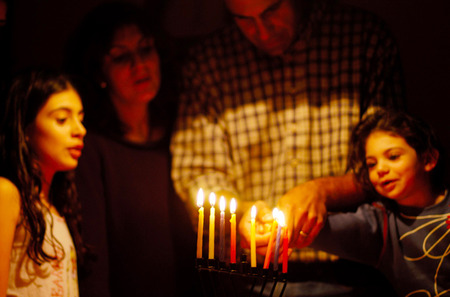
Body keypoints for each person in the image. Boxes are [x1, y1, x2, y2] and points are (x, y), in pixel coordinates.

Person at [170, 0, 404, 294]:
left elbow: (398, 161)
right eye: (244, 20)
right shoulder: (209, 62)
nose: (262, 32)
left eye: (271, 12)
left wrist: (323, 191)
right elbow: (197, 173)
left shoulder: (363, 38)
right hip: (252, 278)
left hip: (359, 270)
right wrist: (242, 216)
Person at [64, 2, 199, 297]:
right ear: (99, 72)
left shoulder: (182, 134)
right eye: (121, 57)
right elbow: (93, 256)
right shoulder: (91, 149)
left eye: (146, 49)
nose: (140, 65)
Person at [282, 109, 449, 296]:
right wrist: (279, 225)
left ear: (428, 159)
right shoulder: (380, 223)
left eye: (393, 156)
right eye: (372, 164)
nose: (381, 169)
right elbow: (319, 229)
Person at [0, 69, 86, 296]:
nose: (80, 130)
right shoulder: (6, 194)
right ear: (26, 128)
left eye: (81, 118)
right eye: (62, 119)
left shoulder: (54, 204)